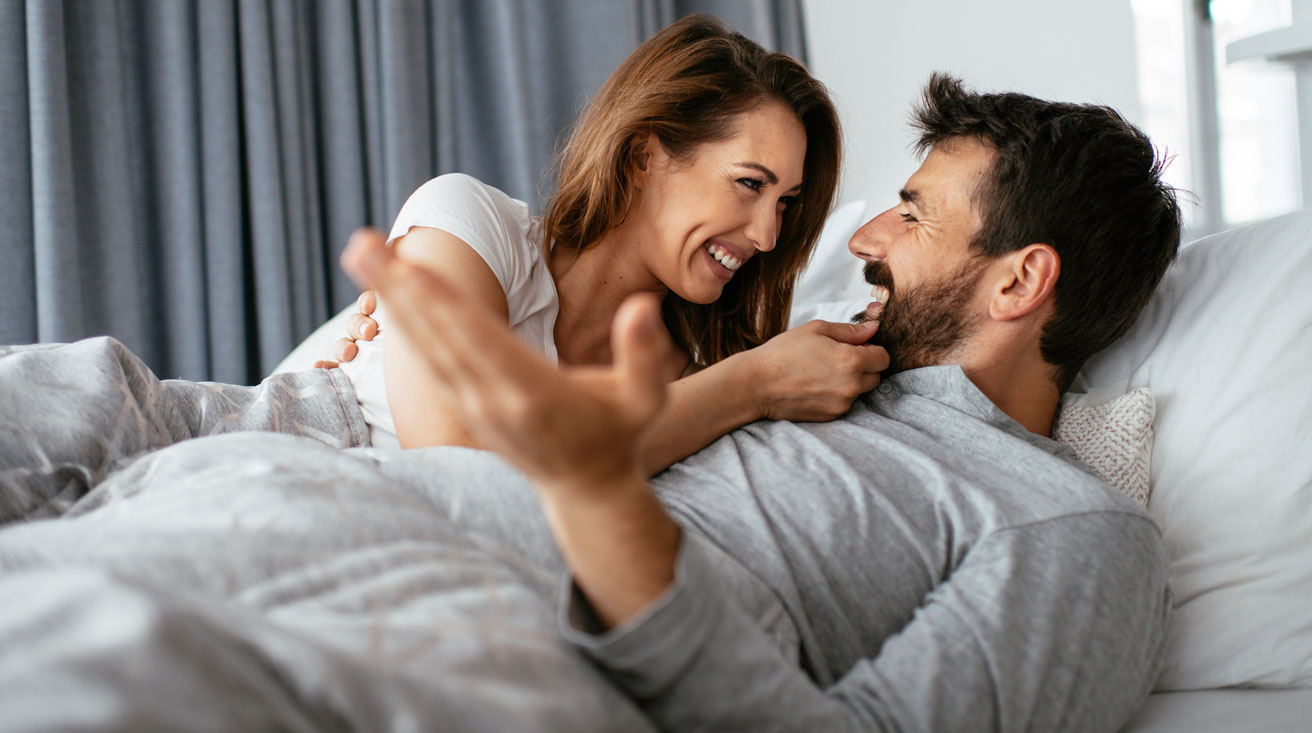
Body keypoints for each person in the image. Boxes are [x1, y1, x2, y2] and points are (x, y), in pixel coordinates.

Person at [335, 71, 1184, 731]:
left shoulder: (1072, 527)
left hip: (475, 625)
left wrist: (608, 517)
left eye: (912, 217)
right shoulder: (797, 370)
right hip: (368, 513)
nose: (860, 239)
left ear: (1021, 280)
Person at [320, 15, 888, 474]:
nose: (768, 237)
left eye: (785, 203)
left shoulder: (689, 392)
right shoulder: (470, 224)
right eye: (748, 184)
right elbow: (462, 475)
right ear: (644, 156)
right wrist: (753, 384)